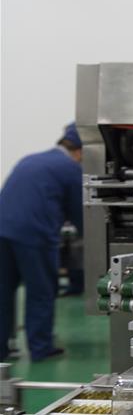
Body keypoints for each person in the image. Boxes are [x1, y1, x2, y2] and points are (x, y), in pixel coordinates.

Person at [0, 123, 84, 361]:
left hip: (2, 230)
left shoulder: (30, 159)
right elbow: (80, 213)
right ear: (82, 151)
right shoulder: (70, 168)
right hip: (34, 235)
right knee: (41, 290)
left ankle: (1, 349)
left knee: (3, 291)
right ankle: (41, 348)